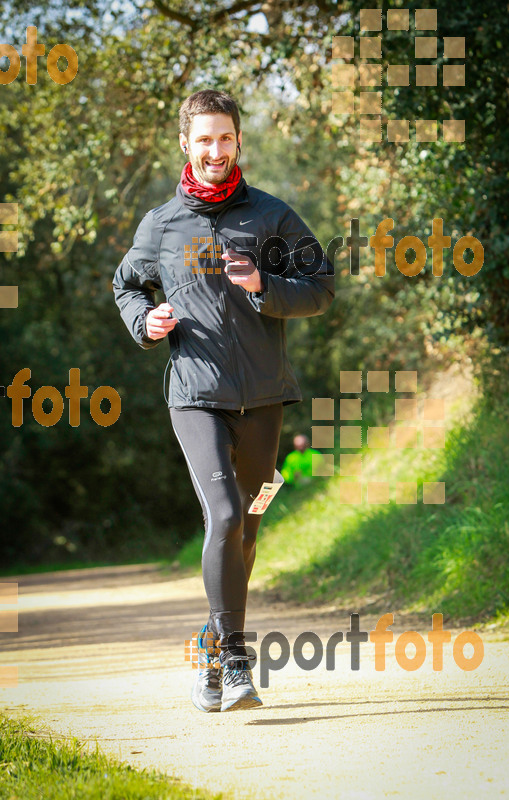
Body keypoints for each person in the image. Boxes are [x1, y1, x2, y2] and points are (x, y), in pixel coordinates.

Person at [113, 89, 334, 712]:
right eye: (203, 139)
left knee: (248, 531)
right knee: (226, 518)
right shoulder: (161, 224)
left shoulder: (271, 216)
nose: (215, 150)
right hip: (196, 397)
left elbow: (322, 287)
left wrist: (266, 286)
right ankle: (236, 664)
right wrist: (145, 320)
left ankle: (211, 651)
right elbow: (125, 285)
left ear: (239, 142)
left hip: (265, 399)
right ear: (186, 143)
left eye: (225, 138)